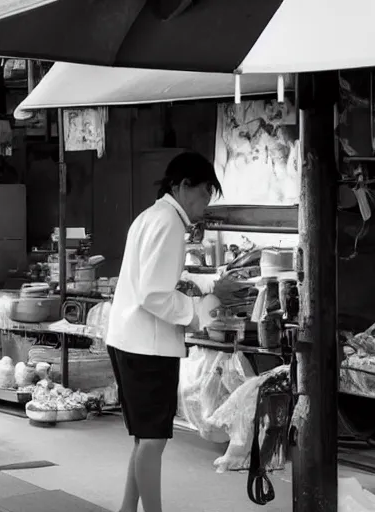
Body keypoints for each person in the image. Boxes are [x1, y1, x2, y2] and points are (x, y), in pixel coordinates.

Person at [106, 151, 222, 512]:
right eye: (204, 193)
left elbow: (155, 282)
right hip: (147, 347)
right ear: (183, 186)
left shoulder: (152, 216)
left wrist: (202, 286)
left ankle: (128, 509)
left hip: (133, 340)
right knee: (153, 441)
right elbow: (154, 295)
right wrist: (200, 310)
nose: (205, 204)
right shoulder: (169, 223)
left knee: (146, 439)